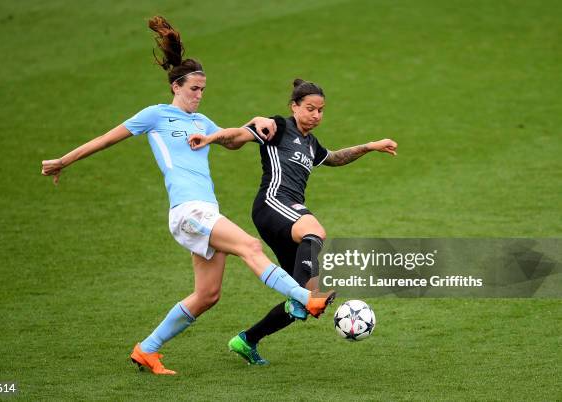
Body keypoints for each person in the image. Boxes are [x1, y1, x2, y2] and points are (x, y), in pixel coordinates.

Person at [40, 18, 335, 375]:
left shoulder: (203, 122)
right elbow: (105, 139)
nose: (199, 95)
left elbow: (231, 138)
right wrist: (63, 161)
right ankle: (306, 298)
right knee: (250, 247)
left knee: (208, 295)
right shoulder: (155, 115)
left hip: (205, 211)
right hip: (187, 211)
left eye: (203, 90)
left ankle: (146, 350)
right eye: (194, 89)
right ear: (176, 86)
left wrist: (256, 121)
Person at [189, 78, 397, 365]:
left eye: (321, 110)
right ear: (294, 106)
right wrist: (211, 138)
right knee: (315, 231)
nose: (316, 115)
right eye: (310, 108)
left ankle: (247, 340)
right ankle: (299, 298)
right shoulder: (278, 127)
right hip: (272, 203)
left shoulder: (311, 145)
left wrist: (370, 146)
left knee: (309, 294)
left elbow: (335, 158)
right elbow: (240, 135)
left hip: (287, 213)